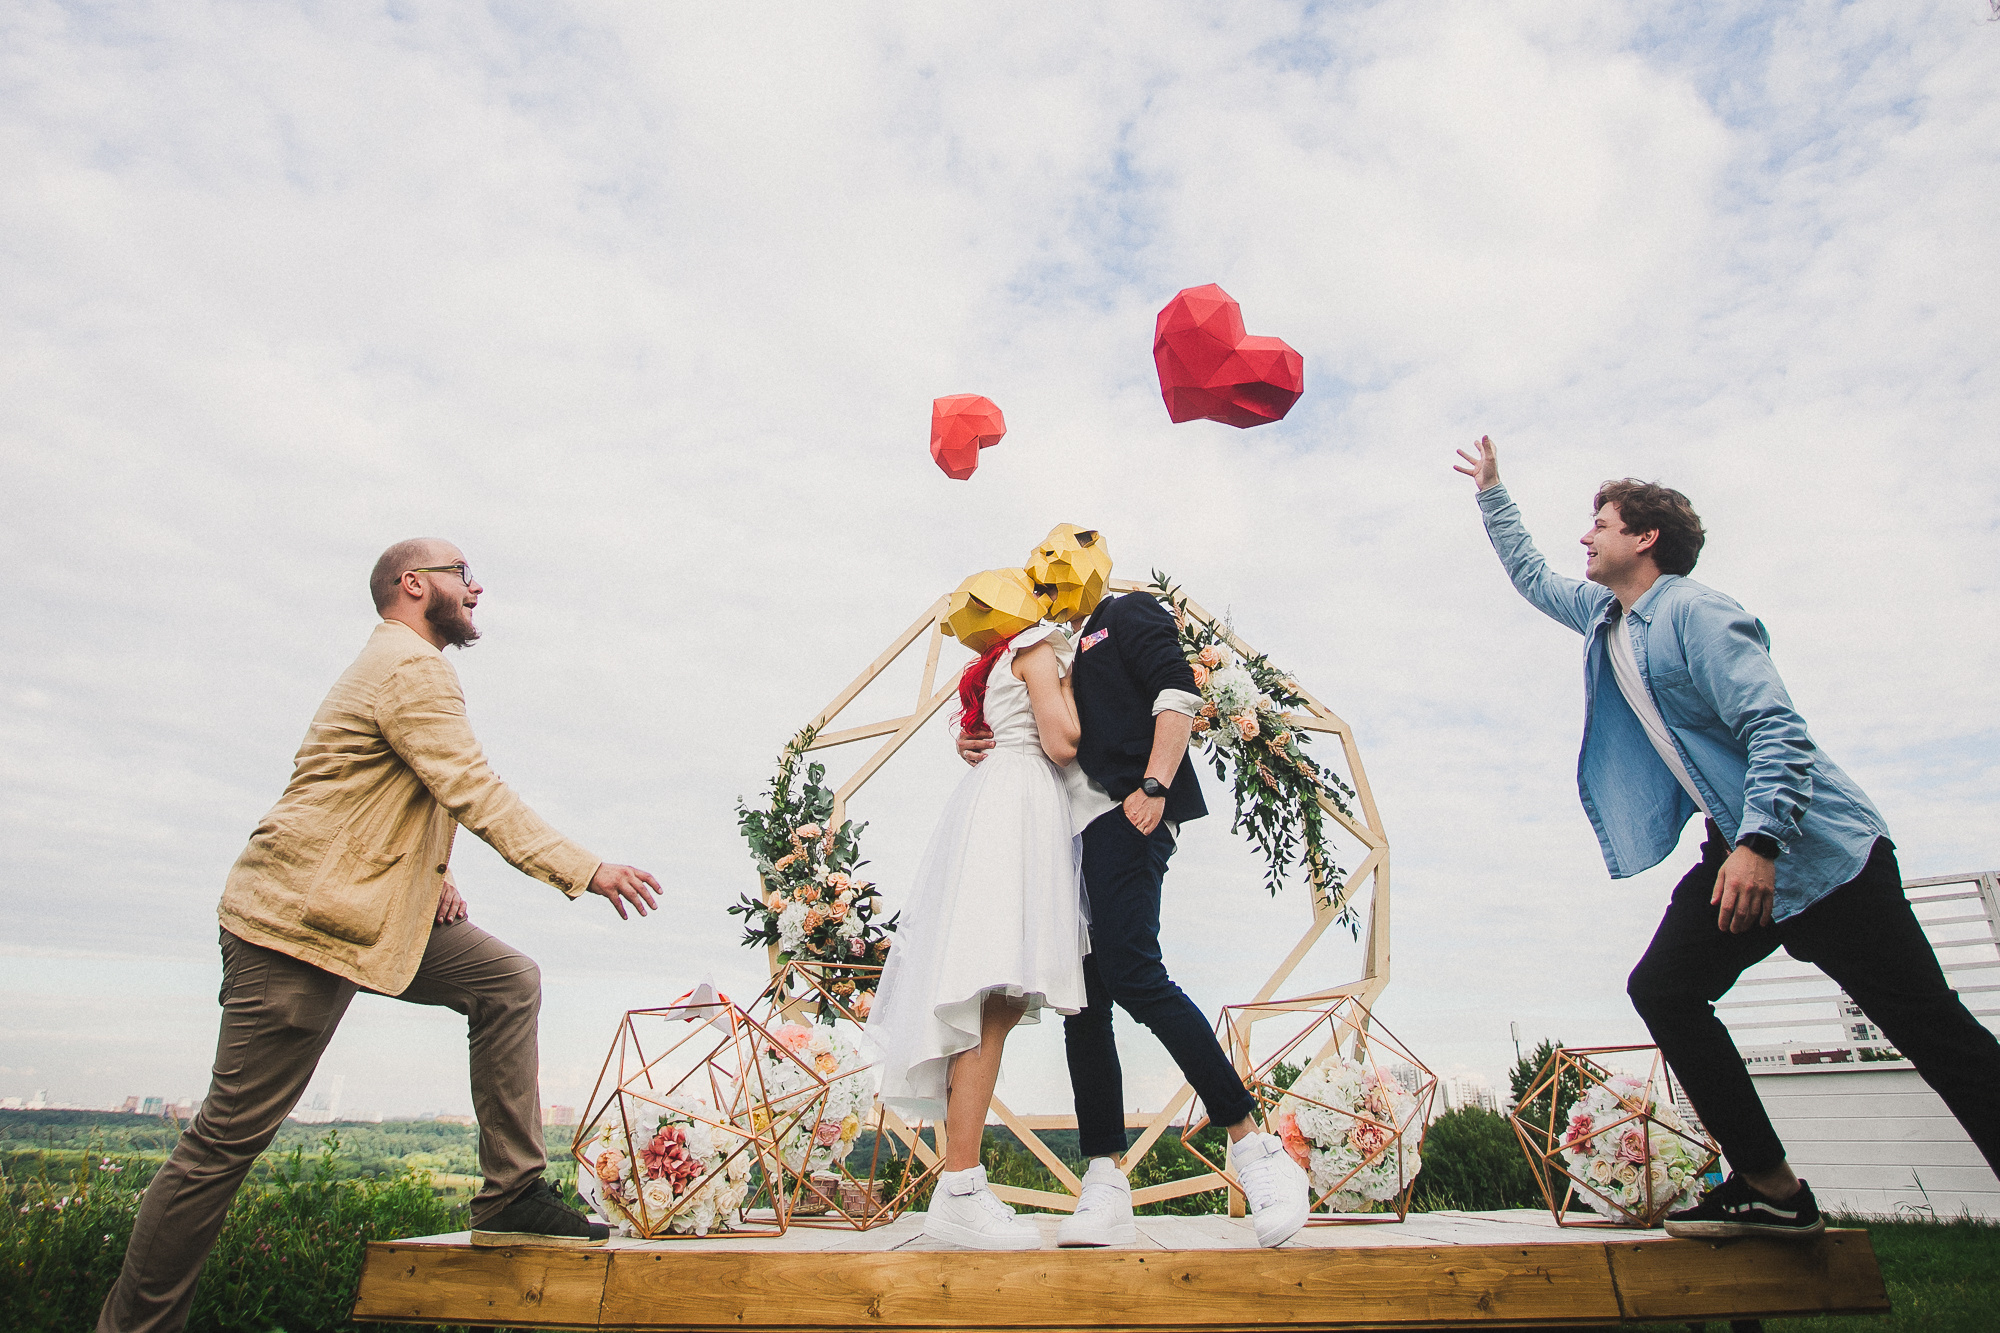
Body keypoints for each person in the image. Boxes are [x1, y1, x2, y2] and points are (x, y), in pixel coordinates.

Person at [98, 538, 664, 1333]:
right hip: (295, 928)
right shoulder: (411, 667)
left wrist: (431, 874)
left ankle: (510, 1193)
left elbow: (374, 788)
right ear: (413, 584)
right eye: (463, 575)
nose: (478, 589)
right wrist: (588, 868)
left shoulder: (398, 667)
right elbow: (472, 788)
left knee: (506, 981)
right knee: (221, 1147)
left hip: (367, 913)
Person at [1455, 435, 2000, 1239]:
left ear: (1646, 538)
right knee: (1665, 988)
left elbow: (1775, 726)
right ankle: (1773, 1188)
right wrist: (1492, 494)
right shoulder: (1607, 616)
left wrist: (1761, 843)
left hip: (1818, 852)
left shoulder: (1695, 611)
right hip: (1738, 849)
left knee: (1934, 1032)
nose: (1586, 537)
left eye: (1599, 523)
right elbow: (1535, 578)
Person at [957, 526, 1310, 1249]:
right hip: (1065, 838)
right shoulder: (1050, 649)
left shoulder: (1130, 612)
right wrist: (976, 734)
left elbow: (1175, 689)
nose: (1047, 575)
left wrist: (1155, 782)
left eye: (1058, 561)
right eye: (1038, 570)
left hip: (1125, 814)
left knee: (1135, 973)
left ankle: (1255, 1145)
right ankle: (1104, 1178)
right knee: (1082, 1003)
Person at [867, 602, 1087, 1249]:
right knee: (991, 996)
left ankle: (960, 1181)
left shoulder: (1005, 653)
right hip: (1018, 805)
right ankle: (959, 1185)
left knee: (996, 998)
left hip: (999, 799)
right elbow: (1062, 739)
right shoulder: (1043, 646)